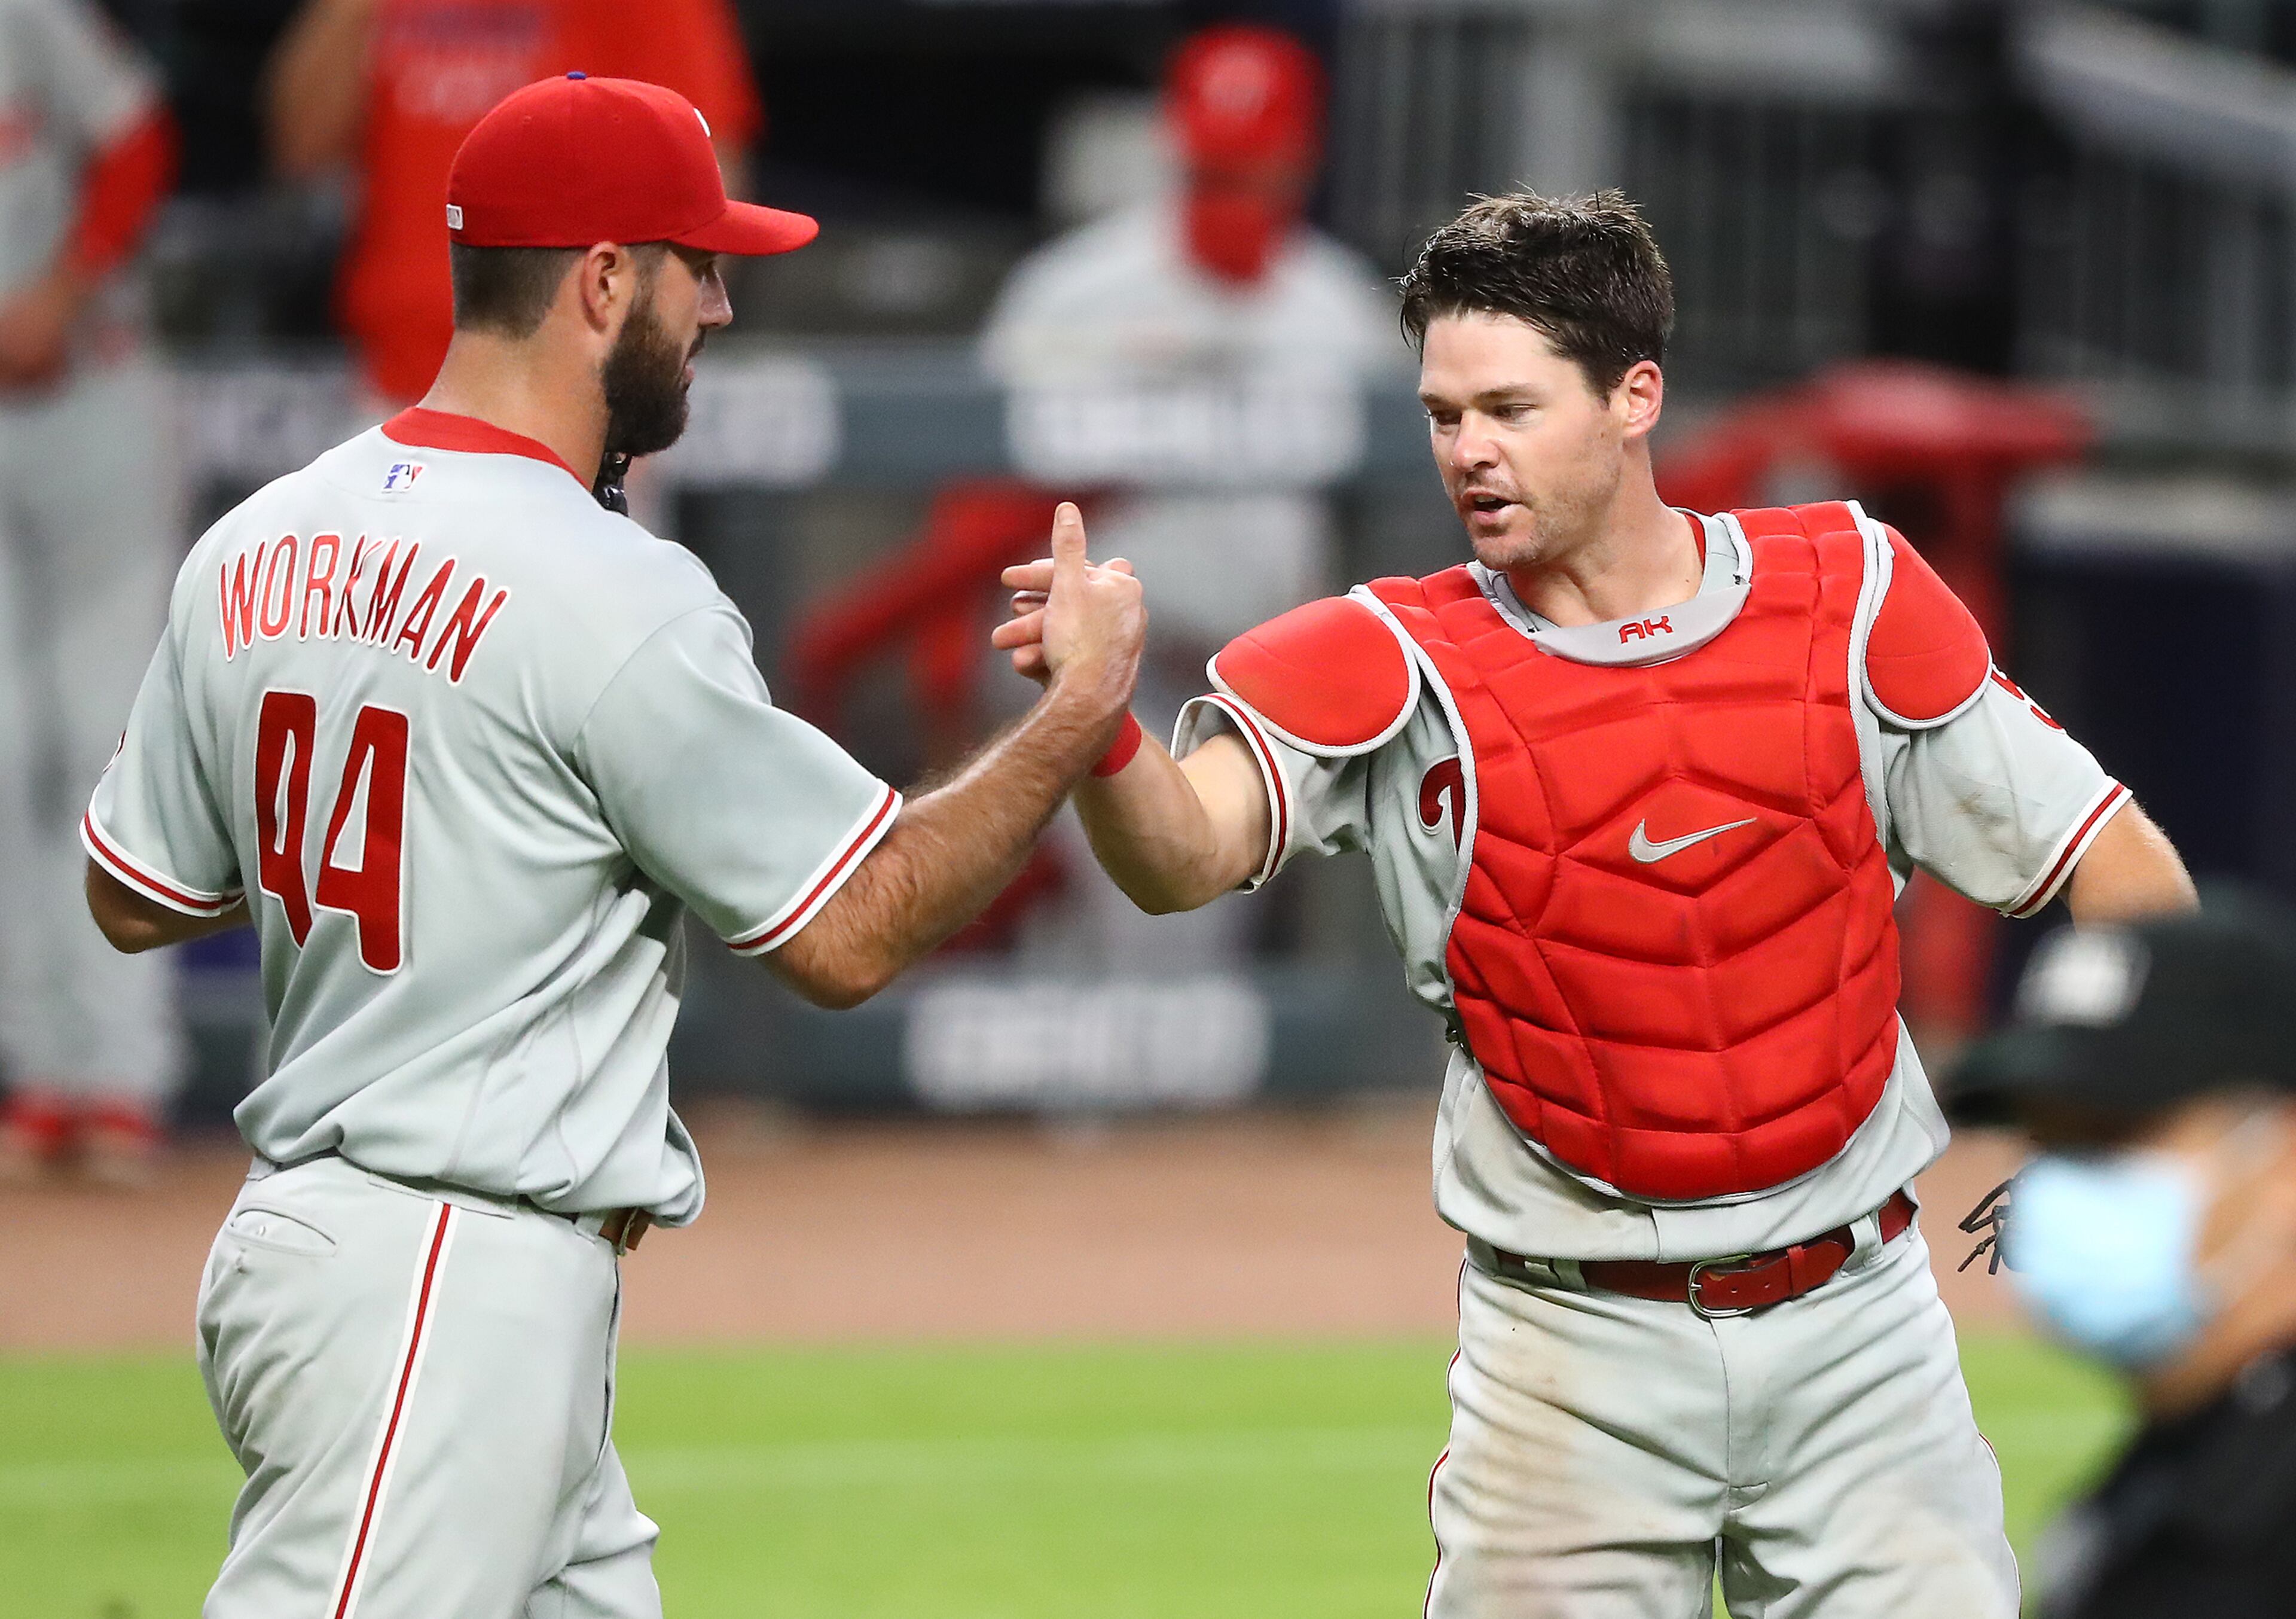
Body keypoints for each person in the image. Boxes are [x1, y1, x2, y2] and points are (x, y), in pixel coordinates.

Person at [994, 189, 2200, 1614]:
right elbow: (1179, 854)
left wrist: (2113, 1141)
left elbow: (2126, 874)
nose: (1467, 452)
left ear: (1635, 395)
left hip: (1861, 1334)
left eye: (1508, 407)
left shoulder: (1852, 596)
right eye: (1444, 415)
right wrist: (1094, 718)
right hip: (1565, 1358)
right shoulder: (1384, 657)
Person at [81, 74, 1143, 1616]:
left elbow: (131, 891)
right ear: (598, 280)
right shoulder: (613, 590)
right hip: (443, 1282)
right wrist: (1077, 714)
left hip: (335, 1251)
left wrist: (422, 807)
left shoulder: (257, 538)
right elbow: (853, 926)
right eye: (693, 264)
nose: (716, 303)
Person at [979, 22, 1397, 968]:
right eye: (1212, 174)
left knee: (1187, 974)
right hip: (1085, 671)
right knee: (1108, 966)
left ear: (1301, 165)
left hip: (1263, 696)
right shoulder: (1072, 292)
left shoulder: (1343, 318)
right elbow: (973, 509)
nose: (1233, 201)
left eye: (1256, 176)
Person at [1953, 897, 2296, 1618]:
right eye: (2051, 1139)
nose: (2063, 1186)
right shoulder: (2195, 1457)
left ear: (2284, 1159)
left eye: (2117, 1135)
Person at [0, 0, 186, 1182]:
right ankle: (40, 1078)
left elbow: (137, 142)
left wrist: (63, 289)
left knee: (104, 735)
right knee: (5, 746)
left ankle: (117, 1074)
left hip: (91, 393)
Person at [264, 0, 761, 406]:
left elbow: (705, 185)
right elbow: (301, 146)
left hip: (573, 388)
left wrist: (641, 376)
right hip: (395, 379)